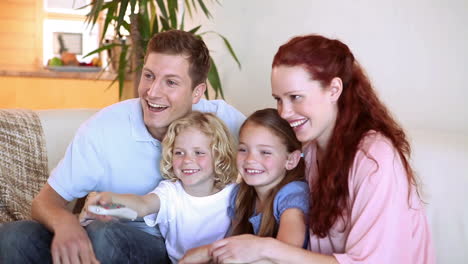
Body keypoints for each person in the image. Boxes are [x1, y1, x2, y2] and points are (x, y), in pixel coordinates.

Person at [0, 30, 245, 263]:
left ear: (197, 92)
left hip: (151, 247)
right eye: (148, 75)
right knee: (14, 238)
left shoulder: (225, 122)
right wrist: (68, 224)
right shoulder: (104, 128)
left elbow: (275, 161)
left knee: (103, 236)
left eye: (171, 82)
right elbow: (46, 201)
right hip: (115, 229)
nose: (152, 92)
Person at [204, 34, 436, 263]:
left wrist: (266, 248)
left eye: (295, 97)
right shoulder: (311, 150)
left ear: (334, 89)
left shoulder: (375, 158)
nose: (284, 113)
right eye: (279, 99)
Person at [86, 111, 238, 264]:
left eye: (198, 152)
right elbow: (143, 205)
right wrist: (108, 202)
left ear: (219, 156)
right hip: (173, 261)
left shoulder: (234, 194)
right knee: (100, 229)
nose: (187, 160)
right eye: (179, 152)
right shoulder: (171, 192)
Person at [180, 108, 309, 264]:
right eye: (243, 149)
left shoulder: (292, 194)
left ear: (291, 160)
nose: (250, 159)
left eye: (265, 152)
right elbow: (231, 249)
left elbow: (285, 254)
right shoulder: (240, 195)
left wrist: (208, 251)